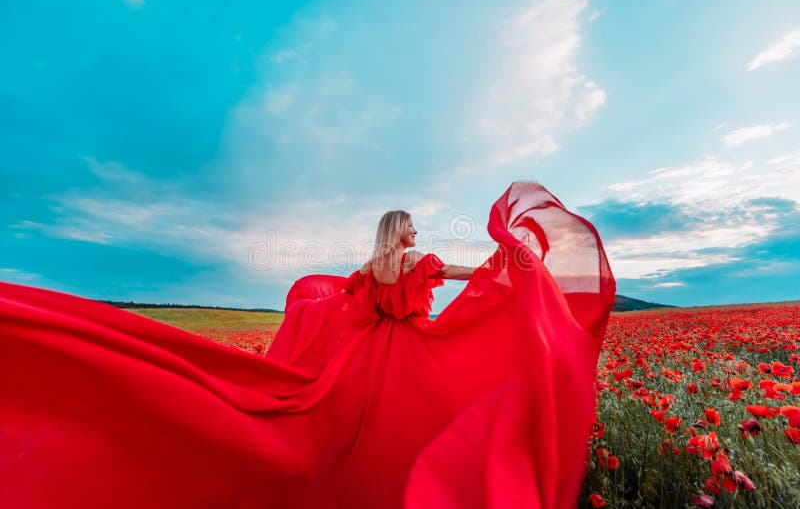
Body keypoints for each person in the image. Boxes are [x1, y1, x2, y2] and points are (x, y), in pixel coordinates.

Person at [0, 181, 615, 508]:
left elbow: (335, 304)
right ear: (405, 233)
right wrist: (518, 262)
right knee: (407, 433)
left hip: (361, 360)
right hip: (407, 359)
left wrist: (303, 309)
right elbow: (469, 276)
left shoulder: (370, 268)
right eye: (415, 228)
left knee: (342, 431)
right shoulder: (421, 262)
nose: (420, 233)